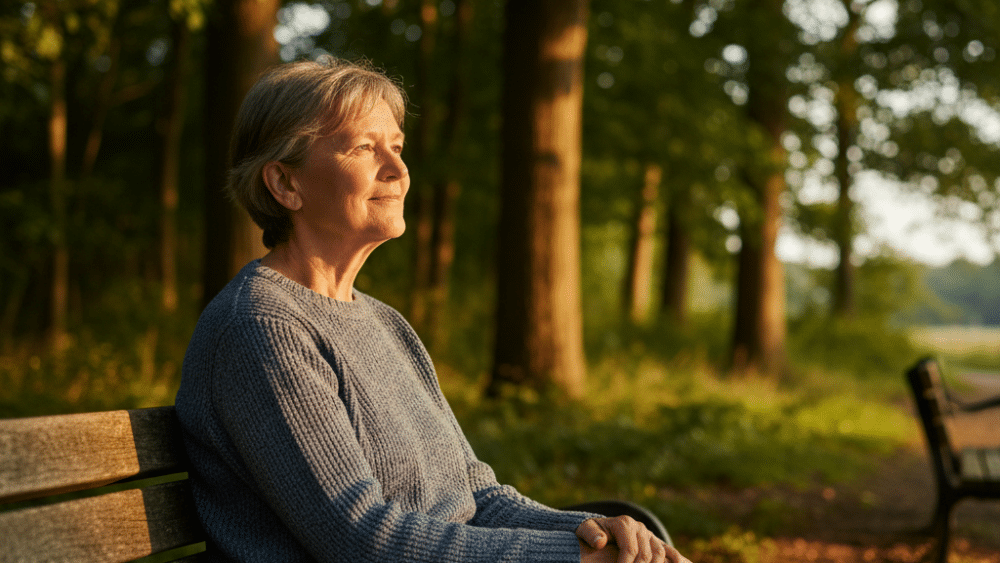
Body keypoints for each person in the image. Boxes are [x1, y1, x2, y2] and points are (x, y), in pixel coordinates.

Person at [175, 56, 690, 563]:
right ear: (285, 183)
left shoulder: (383, 323)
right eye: (364, 148)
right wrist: (574, 558)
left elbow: (476, 499)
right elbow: (361, 541)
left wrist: (596, 533)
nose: (398, 170)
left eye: (397, 148)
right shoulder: (263, 329)